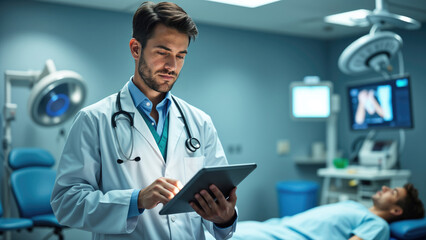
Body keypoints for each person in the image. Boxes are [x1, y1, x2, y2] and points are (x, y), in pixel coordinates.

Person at [50, 2, 237, 240]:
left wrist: (224, 218)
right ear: (136, 49)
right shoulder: (94, 119)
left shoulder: (200, 122)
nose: (172, 66)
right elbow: (66, 202)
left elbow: (220, 209)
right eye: (163, 52)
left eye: (180, 56)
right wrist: (135, 200)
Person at [226, 183, 424, 240]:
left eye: (394, 192)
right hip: (272, 228)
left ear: (396, 210)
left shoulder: (378, 226)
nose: (386, 188)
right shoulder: (355, 207)